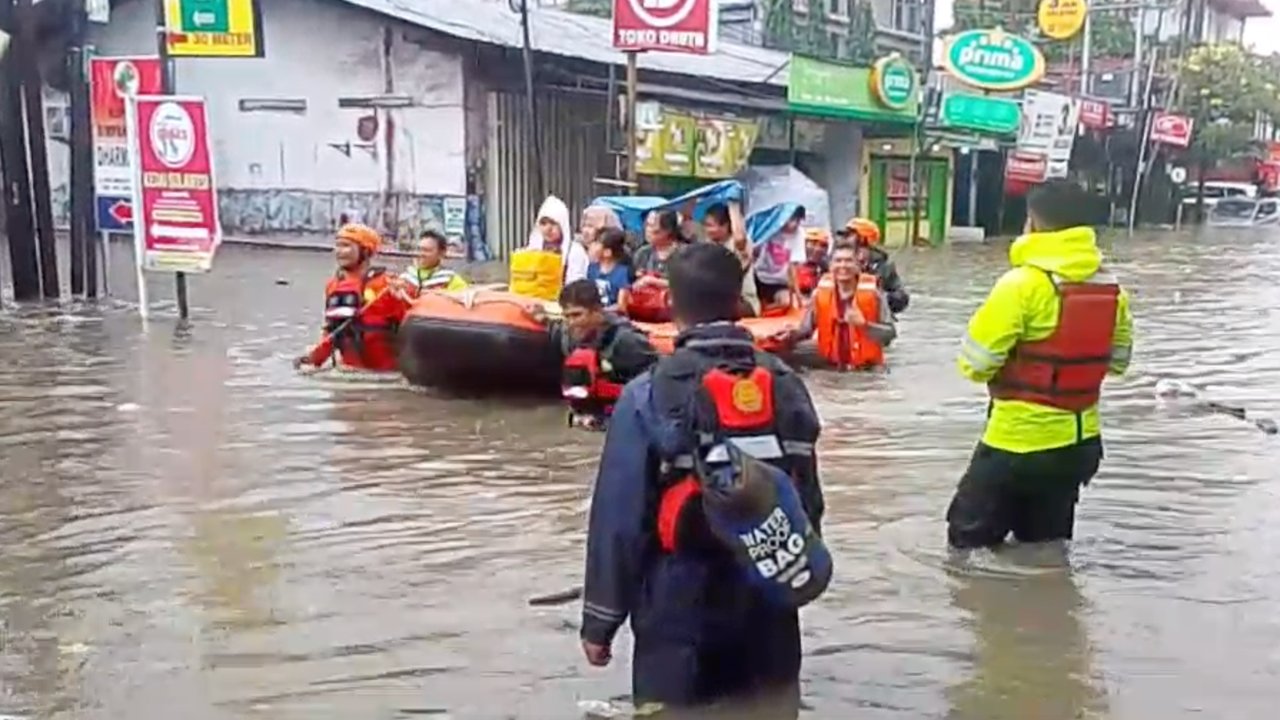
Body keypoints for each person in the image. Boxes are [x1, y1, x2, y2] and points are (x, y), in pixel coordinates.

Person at [581, 242, 828, 715]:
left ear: (671, 304)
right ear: (740, 303)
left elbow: (618, 519)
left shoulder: (648, 394)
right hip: (768, 599)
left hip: (678, 605)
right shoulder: (786, 385)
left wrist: (600, 622)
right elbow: (808, 502)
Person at [946, 180, 1133, 550]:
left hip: (1015, 444)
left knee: (966, 546)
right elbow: (1119, 363)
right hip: (1079, 447)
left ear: (1032, 223)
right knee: (1045, 548)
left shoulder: (1020, 285)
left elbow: (975, 365)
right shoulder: (1112, 289)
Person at [296, 223, 411, 372]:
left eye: (346, 246)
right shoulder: (333, 286)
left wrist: (403, 294)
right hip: (350, 370)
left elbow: (410, 328)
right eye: (337, 246)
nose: (339, 252)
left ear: (365, 251)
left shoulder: (388, 284)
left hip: (386, 373)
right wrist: (314, 359)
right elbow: (331, 329)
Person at [551, 279, 657, 429]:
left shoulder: (625, 340)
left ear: (597, 311)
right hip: (588, 418)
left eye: (577, 315)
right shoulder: (568, 339)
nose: (571, 323)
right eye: (567, 316)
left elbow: (659, 381)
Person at [785, 240, 895, 371]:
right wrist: (789, 334)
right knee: (784, 355)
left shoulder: (875, 294)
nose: (843, 266)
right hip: (829, 365)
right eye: (838, 261)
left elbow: (890, 334)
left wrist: (864, 325)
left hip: (867, 369)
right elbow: (805, 330)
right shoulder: (819, 294)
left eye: (848, 261)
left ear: (858, 265)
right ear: (831, 266)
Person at [510, 195, 590, 301]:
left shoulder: (575, 252)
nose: (548, 229)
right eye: (543, 223)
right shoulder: (531, 251)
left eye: (553, 223)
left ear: (563, 225)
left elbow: (576, 286)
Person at [838, 217, 910, 315]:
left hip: (872, 321)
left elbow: (902, 298)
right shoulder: (836, 262)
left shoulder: (884, 267)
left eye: (849, 235)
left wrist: (877, 298)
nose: (844, 239)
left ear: (863, 239)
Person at [749, 204, 807, 312]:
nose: (794, 224)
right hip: (758, 276)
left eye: (797, 220)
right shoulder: (769, 229)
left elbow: (792, 268)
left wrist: (798, 296)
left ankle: (765, 310)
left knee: (786, 302)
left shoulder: (799, 235)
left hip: (779, 282)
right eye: (791, 220)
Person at [628, 209, 684, 321]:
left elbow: (687, 285)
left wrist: (652, 281)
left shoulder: (685, 253)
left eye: (652, 226)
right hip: (643, 312)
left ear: (668, 230)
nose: (647, 230)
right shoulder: (642, 253)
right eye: (647, 225)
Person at [401, 229, 468, 294]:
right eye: (419, 249)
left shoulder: (450, 279)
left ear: (441, 253)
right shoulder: (406, 277)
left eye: (426, 250)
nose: (421, 254)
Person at [586, 228, 633, 311]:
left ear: (607, 252)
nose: (591, 246)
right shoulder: (592, 268)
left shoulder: (622, 273)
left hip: (613, 318)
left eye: (596, 243)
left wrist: (602, 312)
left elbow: (621, 306)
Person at [796, 228, 831, 298]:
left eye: (823, 245)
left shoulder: (828, 270)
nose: (818, 249)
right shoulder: (790, 266)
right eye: (813, 243)